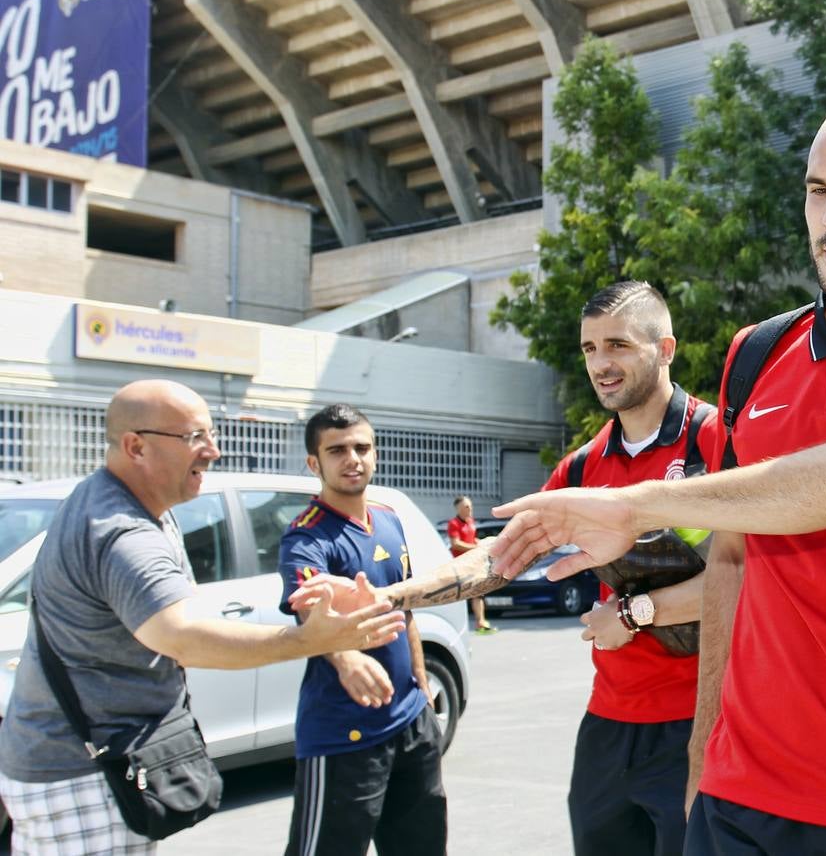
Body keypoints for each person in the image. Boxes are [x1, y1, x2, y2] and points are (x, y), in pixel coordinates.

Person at [488, 98, 826, 855]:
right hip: (744, 796)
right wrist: (702, 754)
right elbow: (731, 559)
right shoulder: (755, 354)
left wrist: (638, 502)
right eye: (818, 190)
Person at [294, 281, 719, 856]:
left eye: (617, 345)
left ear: (665, 349)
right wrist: (393, 598)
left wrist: (635, 611)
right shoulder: (582, 466)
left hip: (707, 721)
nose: (601, 364)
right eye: (590, 349)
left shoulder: (717, 442)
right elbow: (499, 557)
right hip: (610, 725)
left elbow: (751, 579)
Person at [0, 380, 403, 856]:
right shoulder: (123, 531)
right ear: (136, 446)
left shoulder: (127, 503)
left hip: (87, 766)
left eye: (211, 434)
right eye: (195, 437)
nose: (213, 450)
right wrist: (309, 641)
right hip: (82, 778)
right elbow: (183, 636)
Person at [277, 404, 446, 856]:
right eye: (337, 450)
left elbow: (403, 607)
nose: (352, 458)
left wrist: (421, 683)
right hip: (343, 735)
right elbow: (309, 609)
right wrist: (346, 657)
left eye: (361, 447)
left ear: (375, 454)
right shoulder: (307, 538)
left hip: (412, 723)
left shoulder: (389, 519)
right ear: (315, 463)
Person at [446, 495, 495, 633]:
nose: (470, 509)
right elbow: (455, 544)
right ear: (459, 508)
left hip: (472, 563)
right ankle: (455, 626)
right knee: (459, 595)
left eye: (471, 506)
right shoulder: (453, 523)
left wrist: (481, 543)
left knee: (478, 592)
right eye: (467, 506)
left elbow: (472, 539)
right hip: (459, 565)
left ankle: (481, 622)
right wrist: (475, 547)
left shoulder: (471, 522)